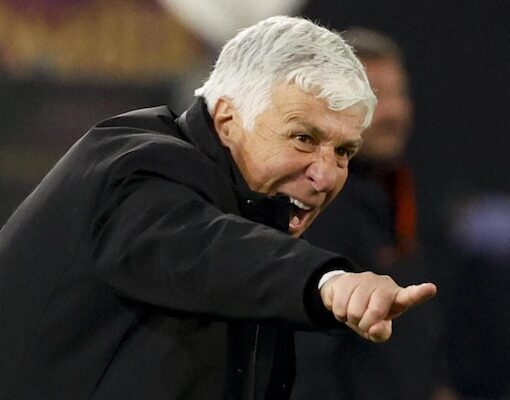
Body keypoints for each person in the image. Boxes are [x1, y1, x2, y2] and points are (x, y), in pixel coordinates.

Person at [0, 17, 436, 400]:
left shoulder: (258, 212)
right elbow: (208, 247)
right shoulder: (130, 168)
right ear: (228, 120)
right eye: (303, 138)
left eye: (343, 151)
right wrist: (327, 282)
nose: (326, 176)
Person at [292, 28, 451, 400]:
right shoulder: (316, 205)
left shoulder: (391, 193)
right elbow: (307, 359)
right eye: (375, 96)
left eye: (400, 93)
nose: (394, 112)